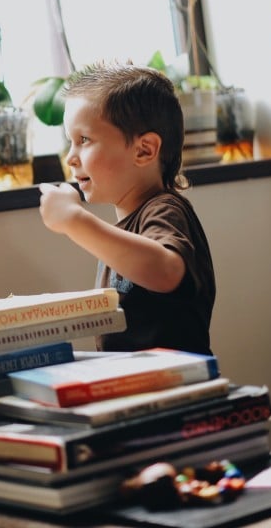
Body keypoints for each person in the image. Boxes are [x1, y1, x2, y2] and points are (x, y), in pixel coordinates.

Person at [39, 62, 215, 355]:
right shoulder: (126, 226)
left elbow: (165, 271)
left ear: (144, 150)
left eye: (84, 140)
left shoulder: (165, 209)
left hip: (173, 387)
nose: (70, 157)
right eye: (70, 142)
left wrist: (75, 221)